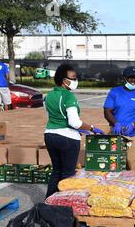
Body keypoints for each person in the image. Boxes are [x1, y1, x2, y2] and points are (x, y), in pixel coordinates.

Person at [44, 64, 104, 199]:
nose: (76, 80)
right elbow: (74, 123)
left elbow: (52, 117)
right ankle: (63, 208)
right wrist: (92, 128)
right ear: (64, 80)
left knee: (56, 171)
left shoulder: (48, 96)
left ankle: (48, 202)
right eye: (73, 78)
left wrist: (78, 129)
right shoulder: (68, 96)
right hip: (67, 139)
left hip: (49, 135)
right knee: (67, 175)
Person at [104, 67, 135, 173]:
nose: (133, 80)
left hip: (134, 134)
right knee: (113, 162)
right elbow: (107, 111)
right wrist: (116, 124)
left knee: (131, 161)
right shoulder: (115, 92)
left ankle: (133, 185)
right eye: (130, 78)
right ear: (125, 78)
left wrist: (133, 125)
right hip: (116, 132)